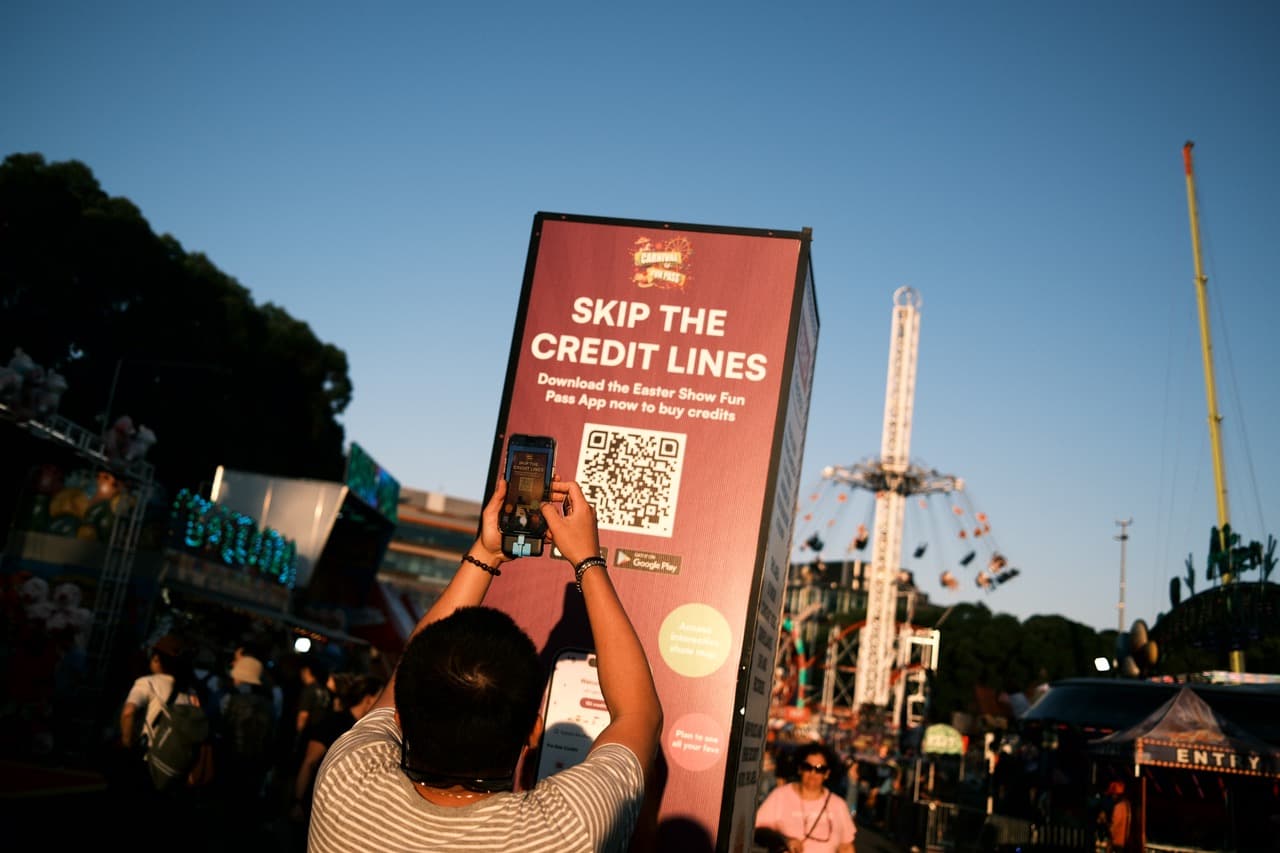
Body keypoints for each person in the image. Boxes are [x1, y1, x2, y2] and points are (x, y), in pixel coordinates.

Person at [308, 476, 663, 852]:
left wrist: (486, 552)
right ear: (532, 732)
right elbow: (639, 715)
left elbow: (408, 671)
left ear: (400, 719)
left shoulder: (346, 783)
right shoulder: (567, 831)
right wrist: (587, 559)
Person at [288, 672, 384, 829]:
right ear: (368, 699)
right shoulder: (334, 723)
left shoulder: (361, 728)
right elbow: (309, 761)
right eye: (379, 697)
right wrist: (297, 801)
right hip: (313, 804)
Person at [755, 741, 856, 853]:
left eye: (819, 769)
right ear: (799, 769)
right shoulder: (780, 795)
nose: (812, 773)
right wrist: (784, 840)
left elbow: (846, 847)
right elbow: (757, 829)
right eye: (807, 767)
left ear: (827, 773)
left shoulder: (838, 805)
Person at [1106, 779, 1132, 852]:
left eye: (1112, 794)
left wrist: (1107, 824)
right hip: (1124, 841)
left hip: (1117, 841)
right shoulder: (1127, 805)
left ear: (1116, 794)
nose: (1112, 797)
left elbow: (1115, 826)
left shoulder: (1118, 807)